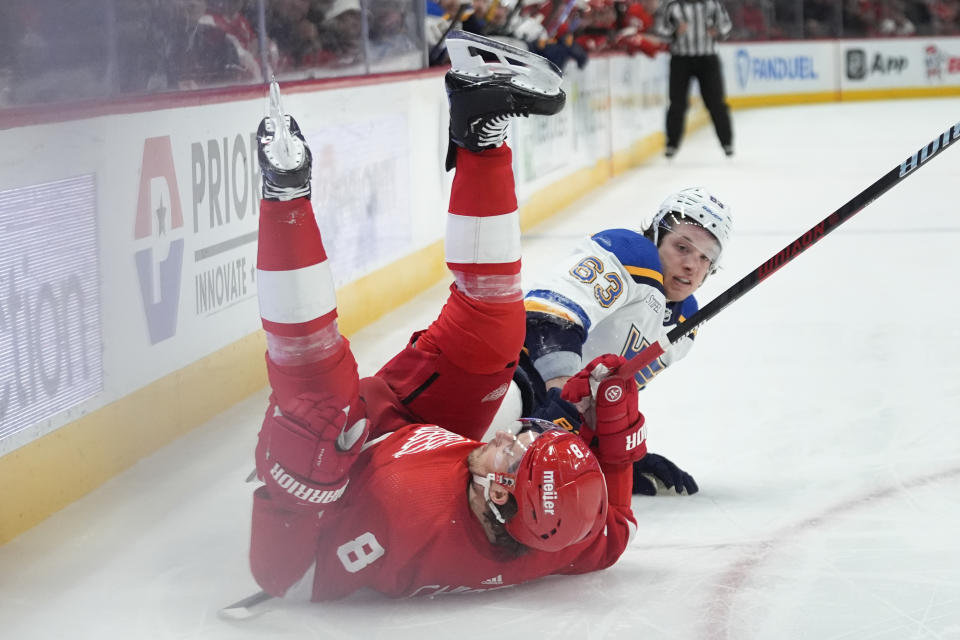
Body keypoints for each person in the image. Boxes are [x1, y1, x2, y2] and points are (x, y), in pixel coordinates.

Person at [248, 34, 647, 601]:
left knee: (321, 400)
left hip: (332, 466)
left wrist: (291, 494)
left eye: (515, 451)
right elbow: (612, 534)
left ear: (500, 494)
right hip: (418, 428)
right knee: (494, 333)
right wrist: (613, 431)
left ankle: (284, 195)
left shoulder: (401, 522)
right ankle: (482, 132)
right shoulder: (554, 532)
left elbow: (280, 579)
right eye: (528, 439)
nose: (511, 435)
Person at [516, 186, 732, 496]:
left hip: (552, 414)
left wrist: (619, 456)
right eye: (682, 247)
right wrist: (561, 399)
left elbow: (611, 392)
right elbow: (548, 318)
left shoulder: (685, 323)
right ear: (656, 236)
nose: (691, 265)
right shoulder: (631, 253)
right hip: (509, 379)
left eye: (704, 258)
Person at [653, 0, 734, 158]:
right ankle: (672, 144)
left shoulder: (712, 4)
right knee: (677, 103)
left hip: (707, 58)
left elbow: (726, 25)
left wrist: (717, 31)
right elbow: (660, 30)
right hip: (680, 59)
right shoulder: (671, 5)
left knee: (716, 102)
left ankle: (727, 142)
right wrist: (674, 32)